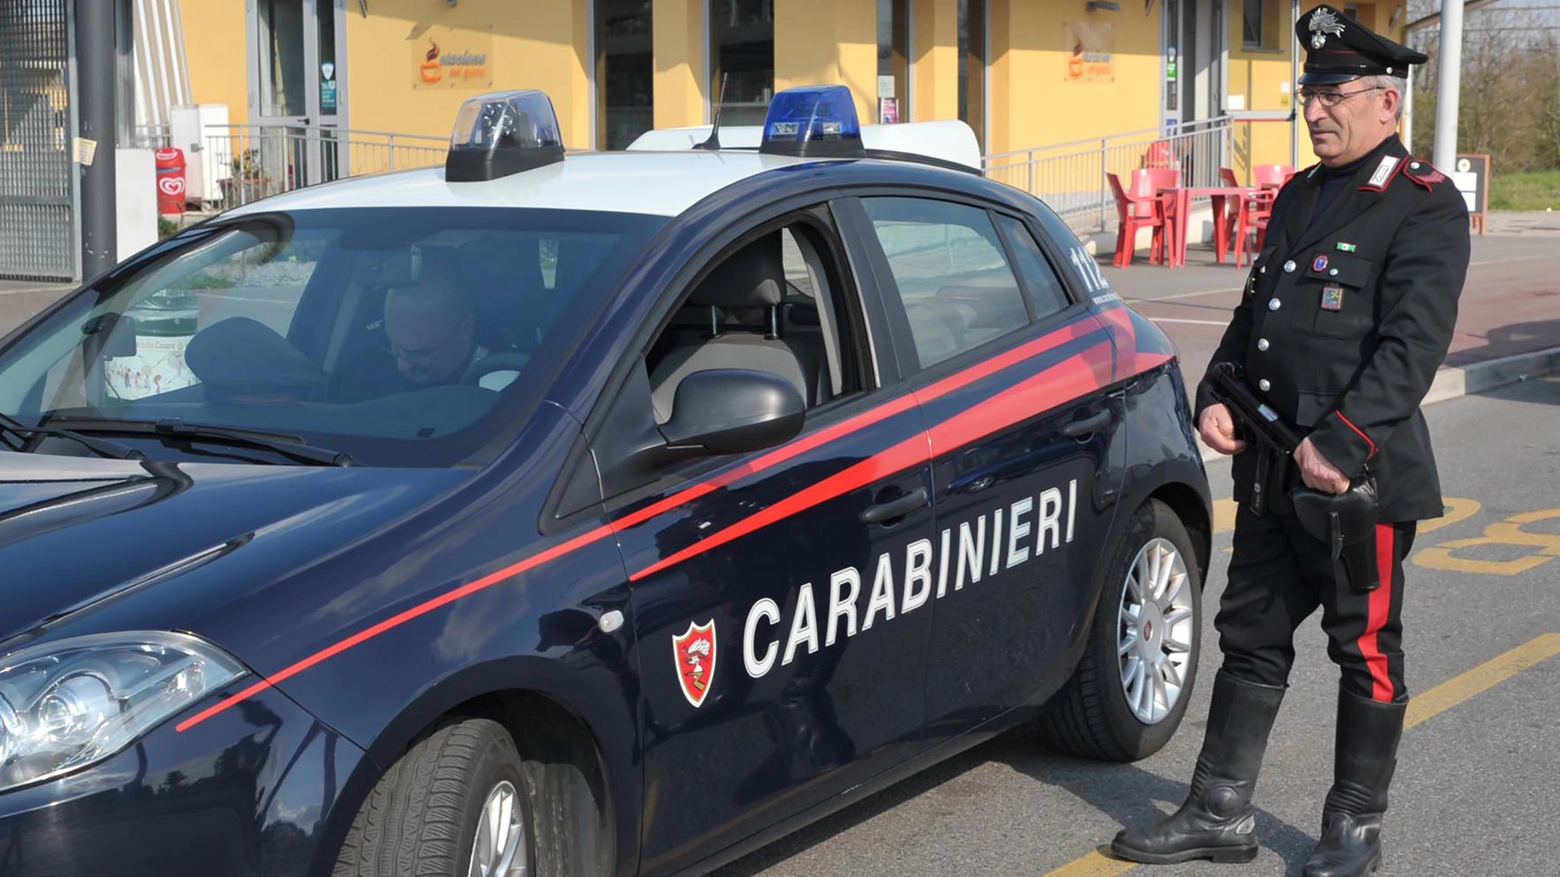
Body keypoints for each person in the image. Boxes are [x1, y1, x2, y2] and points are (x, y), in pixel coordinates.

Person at [1109, 6, 1470, 877]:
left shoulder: (1422, 205)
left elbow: (1411, 349)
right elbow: (1253, 320)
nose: (1316, 109)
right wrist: (1216, 396)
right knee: (1251, 636)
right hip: (1273, 471)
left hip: (1358, 485)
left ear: (1386, 102)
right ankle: (1220, 809)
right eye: (1309, 92)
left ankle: (1354, 828)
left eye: (1334, 92)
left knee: (1367, 649)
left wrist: (1341, 445)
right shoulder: (1304, 195)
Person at [382, 254, 487, 388]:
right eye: (393, 348)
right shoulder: (363, 359)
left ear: (466, 328)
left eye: (419, 353)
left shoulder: (501, 377)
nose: (402, 366)